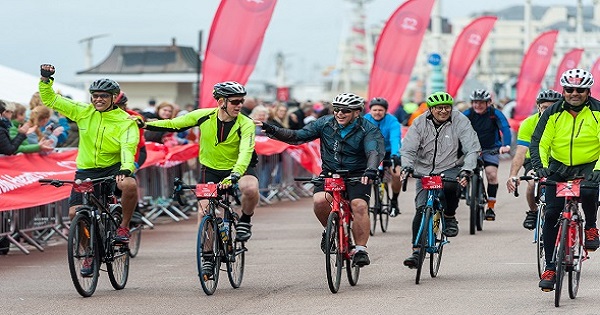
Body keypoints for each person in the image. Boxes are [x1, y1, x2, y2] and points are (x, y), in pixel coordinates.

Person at [257, 92, 385, 267]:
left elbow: (373, 151)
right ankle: (329, 229)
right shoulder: (325, 123)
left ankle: (361, 249)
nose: (339, 113)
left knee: (359, 206)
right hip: (330, 172)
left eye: (345, 111)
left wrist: (371, 170)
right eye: (337, 110)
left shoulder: (368, 128)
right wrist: (273, 130)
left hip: (358, 173)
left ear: (357, 112)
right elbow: (297, 136)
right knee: (319, 201)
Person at [38, 65, 139, 259]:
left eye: (104, 96)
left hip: (113, 168)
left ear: (114, 97)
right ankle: (88, 254)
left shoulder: (125, 121)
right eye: (95, 95)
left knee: (130, 185)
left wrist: (126, 168)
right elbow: (51, 99)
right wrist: (45, 80)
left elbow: (128, 146)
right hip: (86, 172)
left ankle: (124, 227)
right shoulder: (83, 112)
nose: (98, 99)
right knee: (75, 214)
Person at [142, 81, 259, 243]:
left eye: (241, 101)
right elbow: (173, 124)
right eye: (235, 101)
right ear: (221, 102)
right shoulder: (203, 115)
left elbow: (246, 150)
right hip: (210, 169)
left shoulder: (246, 123)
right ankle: (207, 256)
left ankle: (245, 221)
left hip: (240, 168)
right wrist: (145, 124)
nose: (239, 105)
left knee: (251, 188)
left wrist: (235, 174)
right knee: (204, 213)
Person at [530, 68, 600, 291]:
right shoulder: (552, 112)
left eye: (580, 89)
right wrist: (540, 167)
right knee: (551, 213)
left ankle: (590, 226)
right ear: (563, 90)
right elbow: (540, 142)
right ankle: (550, 267)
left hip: (589, 164)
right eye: (570, 89)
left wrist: (598, 169)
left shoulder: (598, 111)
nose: (574, 93)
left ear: (588, 91)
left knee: (588, 190)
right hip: (558, 167)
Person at [400, 91, 480, 268]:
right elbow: (408, 149)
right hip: (424, 169)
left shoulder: (460, 120)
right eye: (439, 108)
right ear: (430, 109)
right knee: (421, 209)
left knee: (451, 188)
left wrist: (467, 169)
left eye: (447, 108)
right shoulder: (420, 122)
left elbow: (471, 148)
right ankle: (416, 251)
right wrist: (407, 166)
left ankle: (450, 216)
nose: (443, 111)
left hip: (450, 166)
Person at [505, 89, 562, 229]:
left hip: (559, 160)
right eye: (545, 108)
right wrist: (513, 175)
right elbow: (521, 152)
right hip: (534, 160)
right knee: (532, 182)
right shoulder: (528, 124)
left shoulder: (566, 123)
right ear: (538, 107)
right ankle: (533, 211)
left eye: (554, 108)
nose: (550, 112)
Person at [463, 89, 512, 221]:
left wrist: (506, 145)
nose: (478, 105)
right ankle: (464, 189)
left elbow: (505, 128)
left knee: (491, 174)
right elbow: (456, 127)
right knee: (464, 169)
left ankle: (490, 207)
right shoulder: (468, 114)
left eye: (481, 103)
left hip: (491, 148)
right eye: (475, 102)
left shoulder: (494, 114)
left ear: (489, 103)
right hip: (472, 149)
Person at [364, 97, 403, 216]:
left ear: (385, 111)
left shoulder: (392, 121)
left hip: (388, 151)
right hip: (370, 152)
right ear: (370, 110)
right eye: (374, 110)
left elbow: (395, 139)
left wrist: (395, 155)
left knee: (397, 174)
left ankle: (395, 201)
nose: (377, 112)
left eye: (380, 110)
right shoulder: (364, 120)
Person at [115, 92, 147, 169]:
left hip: (136, 152)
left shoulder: (134, 117)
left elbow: (133, 144)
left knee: (126, 179)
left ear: (123, 106)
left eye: (117, 107)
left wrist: (132, 166)